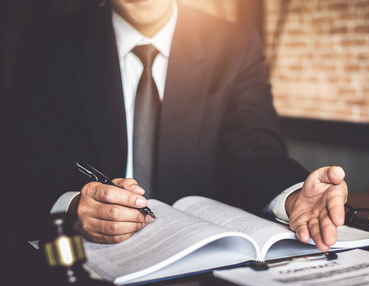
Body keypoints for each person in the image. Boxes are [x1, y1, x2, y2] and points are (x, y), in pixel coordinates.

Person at [10, 0, 347, 252]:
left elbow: (253, 147)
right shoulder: (48, 43)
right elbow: (30, 162)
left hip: (202, 265)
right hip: (87, 263)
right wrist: (73, 206)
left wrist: (290, 194)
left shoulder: (235, 44)